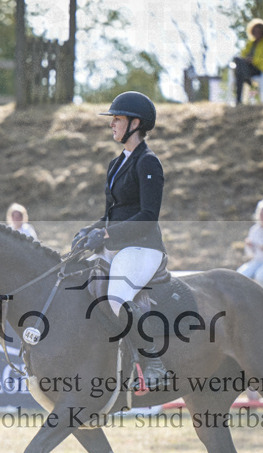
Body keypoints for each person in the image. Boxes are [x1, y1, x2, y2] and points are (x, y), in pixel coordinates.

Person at [72, 91, 170, 390]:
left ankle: (153, 360)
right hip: (116, 245)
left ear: (135, 124)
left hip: (142, 247)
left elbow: (148, 215)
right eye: (112, 119)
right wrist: (89, 230)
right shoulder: (116, 164)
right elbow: (111, 214)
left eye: (117, 119)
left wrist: (106, 234)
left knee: (116, 299)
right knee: (75, 281)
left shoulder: (148, 163)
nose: (111, 124)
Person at [233, 18, 263, 105]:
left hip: (261, 69)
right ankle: (239, 99)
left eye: (259, 31)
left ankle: (246, 81)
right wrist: (246, 59)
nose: (257, 33)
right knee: (237, 61)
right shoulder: (250, 43)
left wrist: (254, 60)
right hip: (248, 69)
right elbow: (243, 55)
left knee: (240, 73)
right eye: (255, 31)